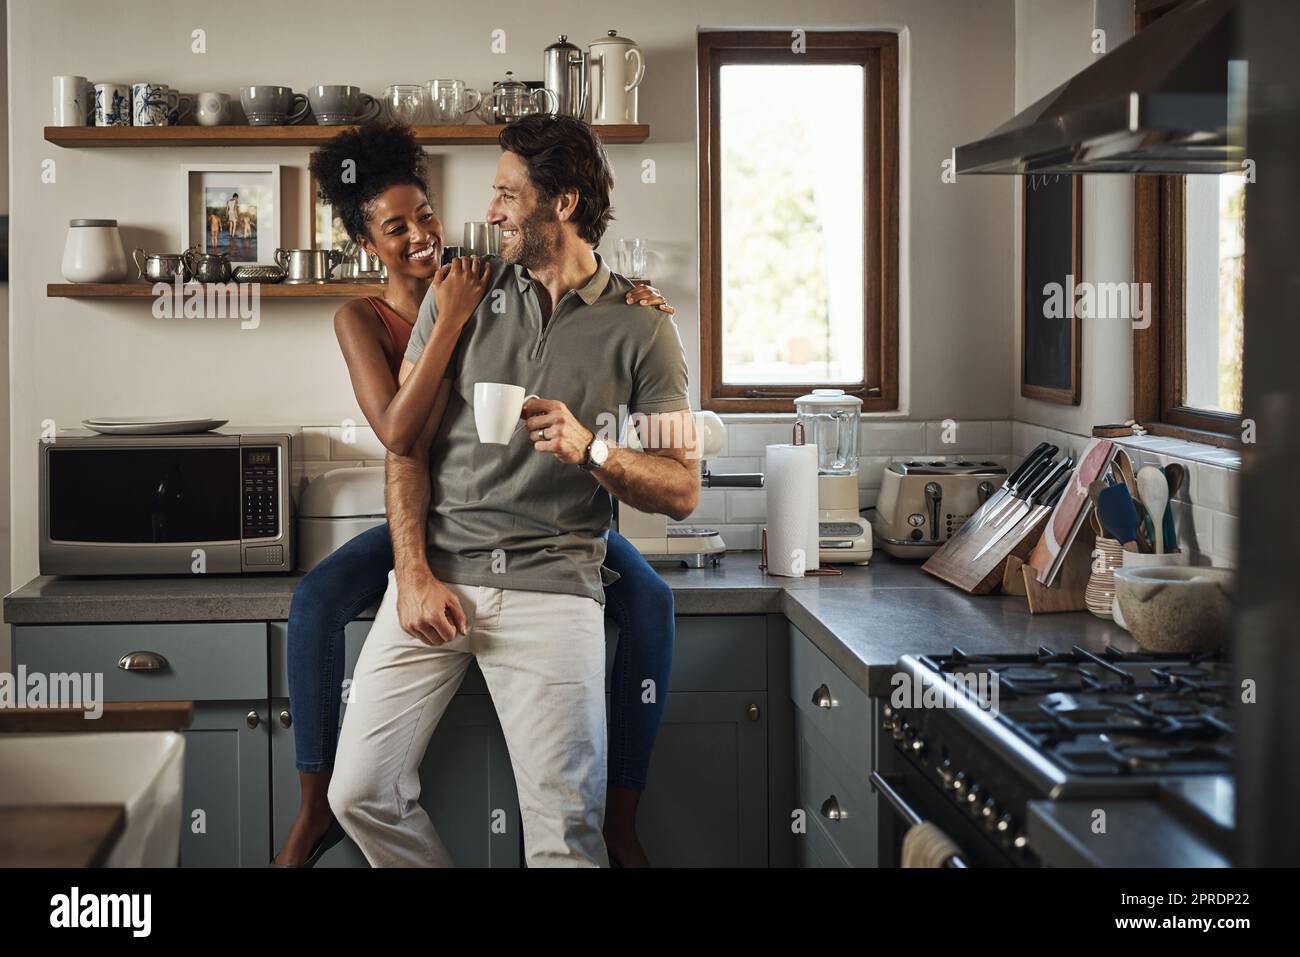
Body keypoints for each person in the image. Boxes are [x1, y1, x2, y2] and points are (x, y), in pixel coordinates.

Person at [274, 122, 680, 868]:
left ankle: (622, 815)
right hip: (440, 561)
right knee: (356, 789)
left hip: (554, 579)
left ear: (560, 201)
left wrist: (594, 446)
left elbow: (683, 487)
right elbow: (408, 443)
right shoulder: (456, 292)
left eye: (505, 193)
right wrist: (415, 573)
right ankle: (308, 810)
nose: (486, 211)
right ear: (371, 241)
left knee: (566, 837)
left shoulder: (641, 324)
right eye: (396, 226)